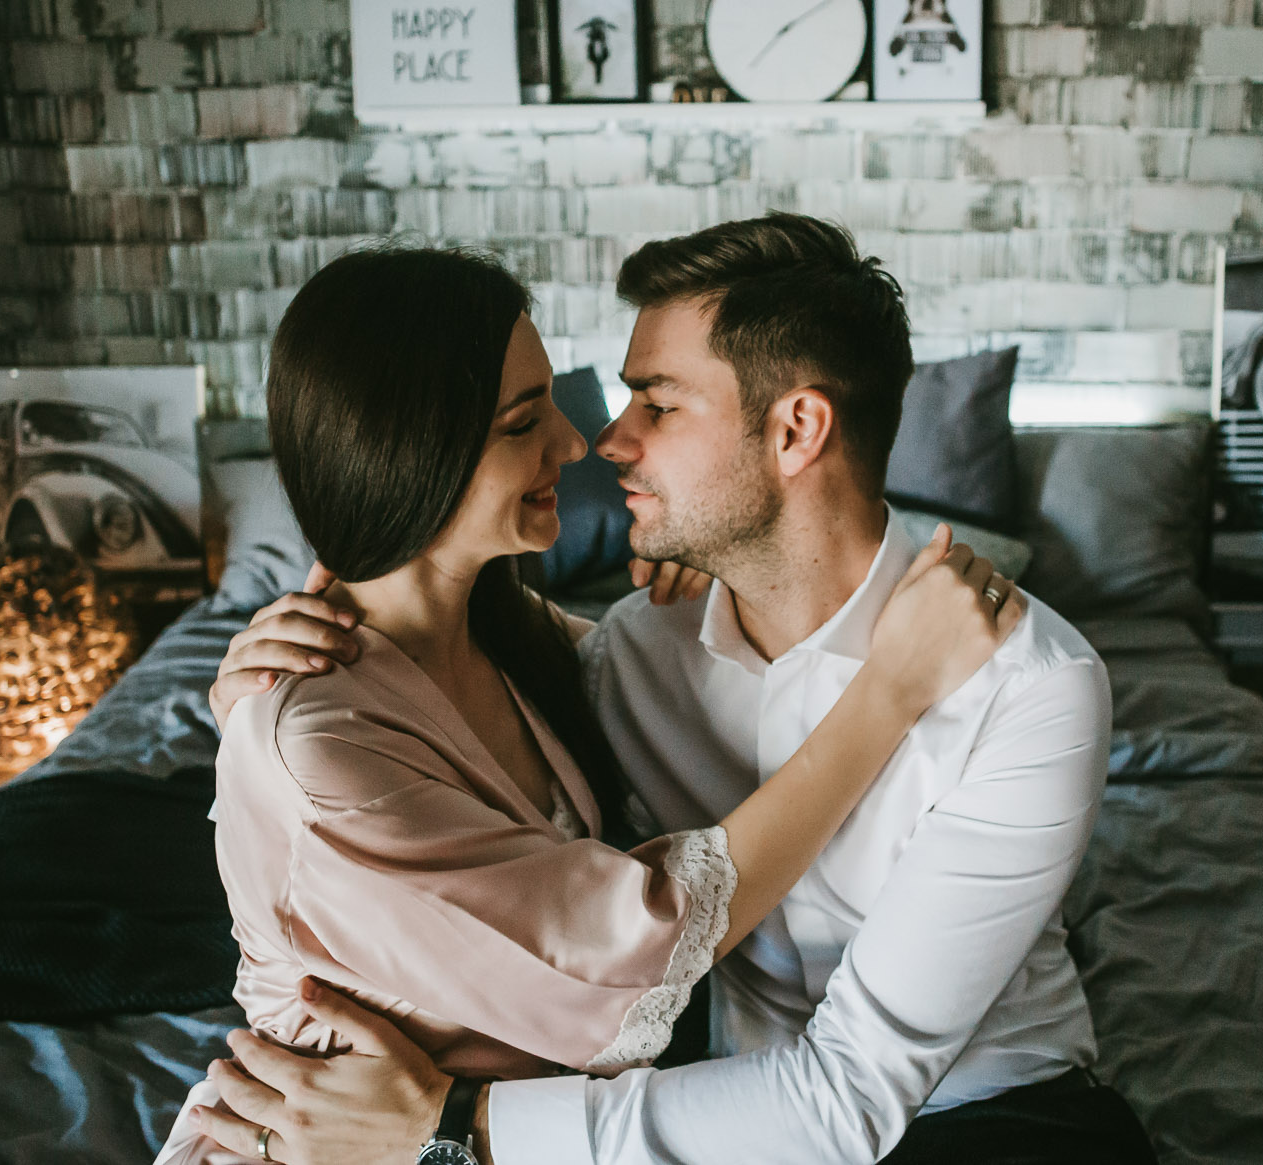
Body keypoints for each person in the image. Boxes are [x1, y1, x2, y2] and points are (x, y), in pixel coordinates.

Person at [197, 215, 1157, 1165]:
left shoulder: (1027, 688)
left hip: (979, 1115)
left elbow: (849, 1095)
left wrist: (451, 1127)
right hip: (711, 1099)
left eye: (656, 404)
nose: (600, 444)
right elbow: (369, 739)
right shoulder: (635, 652)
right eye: (540, 417)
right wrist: (254, 706)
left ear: (795, 429)